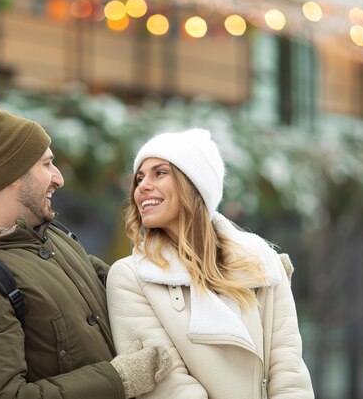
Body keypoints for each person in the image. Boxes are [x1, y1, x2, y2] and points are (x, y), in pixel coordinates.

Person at [0, 95, 171, 399]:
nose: (58, 178)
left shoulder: (49, 236)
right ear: (9, 175)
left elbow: (123, 281)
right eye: (47, 164)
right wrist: (121, 379)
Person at [106, 128, 314, 399]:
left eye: (160, 173)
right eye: (139, 178)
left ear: (193, 184)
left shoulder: (262, 262)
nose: (142, 186)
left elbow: (289, 371)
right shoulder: (131, 277)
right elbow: (169, 384)